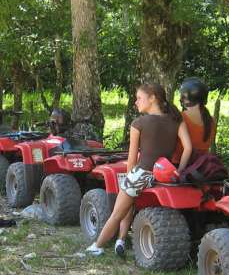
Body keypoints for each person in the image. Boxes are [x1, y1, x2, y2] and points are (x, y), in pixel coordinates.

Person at [86, 83, 193, 257]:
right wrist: (179, 170)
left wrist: (129, 178)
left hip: (141, 173)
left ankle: (97, 246)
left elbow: (131, 158)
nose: (136, 102)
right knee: (129, 203)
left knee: (117, 213)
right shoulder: (176, 119)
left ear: (152, 98)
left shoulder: (139, 123)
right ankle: (120, 240)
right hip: (163, 174)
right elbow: (188, 148)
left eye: (139, 98)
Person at [173, 77, 215, 162]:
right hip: (201, 166)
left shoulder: (179, 118)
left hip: (179, 165)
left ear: (185, 98)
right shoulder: (211, 120)